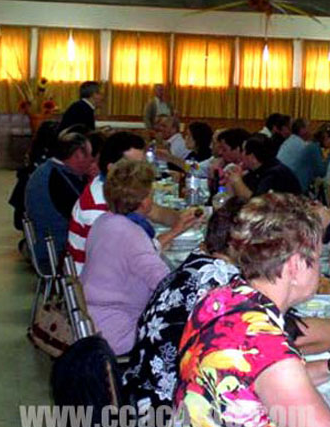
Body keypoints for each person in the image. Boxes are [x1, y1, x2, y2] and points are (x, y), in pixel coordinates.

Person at [122, 197, 330, 427]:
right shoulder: (264, 343)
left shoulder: (221, 299)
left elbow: (259, 386)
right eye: (315, 259)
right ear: (295, 266)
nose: (319, 270)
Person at [82, 159, 195, 356]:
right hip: (118, 330)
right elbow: (166, 286)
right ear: (144, 202)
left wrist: (172, 233)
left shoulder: (105, 221)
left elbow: (131, 256)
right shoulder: (131, 234)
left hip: (94, 318)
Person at [67, 131, 199, 274]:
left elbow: (155, 211)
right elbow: (129, 259)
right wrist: (173, 232)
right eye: (134, 167)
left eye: (143, 164)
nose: (142, 172)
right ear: (112, 168)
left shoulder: (117, 189)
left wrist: (184, 218)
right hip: (99, 279)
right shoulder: (98, 207)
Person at [25, 130, 93, 272]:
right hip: (56, 254)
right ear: (78, 155)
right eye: (90, 156)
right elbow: (86, 218)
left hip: (47, 246)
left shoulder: (49, 170)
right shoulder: (59, 179)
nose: (92, 161)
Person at [226, 133, 301, 199]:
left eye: (243, 151)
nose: (241, 155)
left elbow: (256, 203)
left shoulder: (275, 174)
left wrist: (237, 181)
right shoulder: (255, 170)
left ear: (252, 157)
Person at [278, 118, 327, 193]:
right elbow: (320, 171)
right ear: (302, 130)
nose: (312, 130)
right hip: (290, 187)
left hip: (282, 183)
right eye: (309, 127)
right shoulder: (302, 146)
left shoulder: (291, 141)